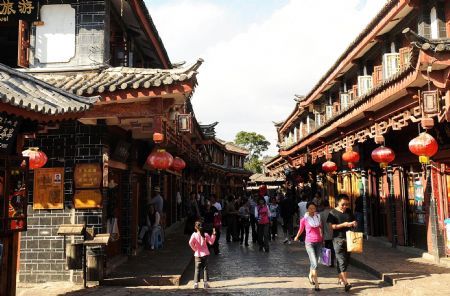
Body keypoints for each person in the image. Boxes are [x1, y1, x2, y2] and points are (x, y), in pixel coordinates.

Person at [327, 194, 357, 292]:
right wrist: (343, 225)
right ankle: (346, 283)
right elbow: (332, 227)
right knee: (341, 261)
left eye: (347, 204)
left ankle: (340, 278)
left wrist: (354, 223)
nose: (345, 206)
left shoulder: (349, 211)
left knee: (346, 260)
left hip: (349, 238)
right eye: (343, 204)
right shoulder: (332, 213)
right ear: (338, 202)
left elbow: (353, 221)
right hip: (338, 239)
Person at [294, 201, 323, 292]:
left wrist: (323, 237)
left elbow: (320, 227)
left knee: (315, 262)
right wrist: (297, 236)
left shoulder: (318, 216)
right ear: (307, 209)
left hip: (319, 242)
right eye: (310, 208)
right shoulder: (304, 219)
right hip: (309, 242)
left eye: (313, 208)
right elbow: (301, 229)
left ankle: (310, 275)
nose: (312, 210)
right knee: (314, 262)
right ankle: (317, 284)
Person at [189, 221, 216, 289]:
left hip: (197, 254)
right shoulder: (205, 234)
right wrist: (213, 234)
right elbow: (211, 242)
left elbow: (190, 242)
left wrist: (195, 249)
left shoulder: (194, 235)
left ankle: (196, 284)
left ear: (195, 227)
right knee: (205, 269)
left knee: (197, 269)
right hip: (205, 254)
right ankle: (205, 283)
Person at [320, 200, 335, 267]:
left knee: (326, 248)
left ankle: (327, 262)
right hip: (334, 234)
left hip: (326, 235)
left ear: (323, 206)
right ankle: (332, 262)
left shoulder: (321, 214)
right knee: (332, 248)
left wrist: (321, 235)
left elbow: (321, 226)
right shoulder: (333, 212)